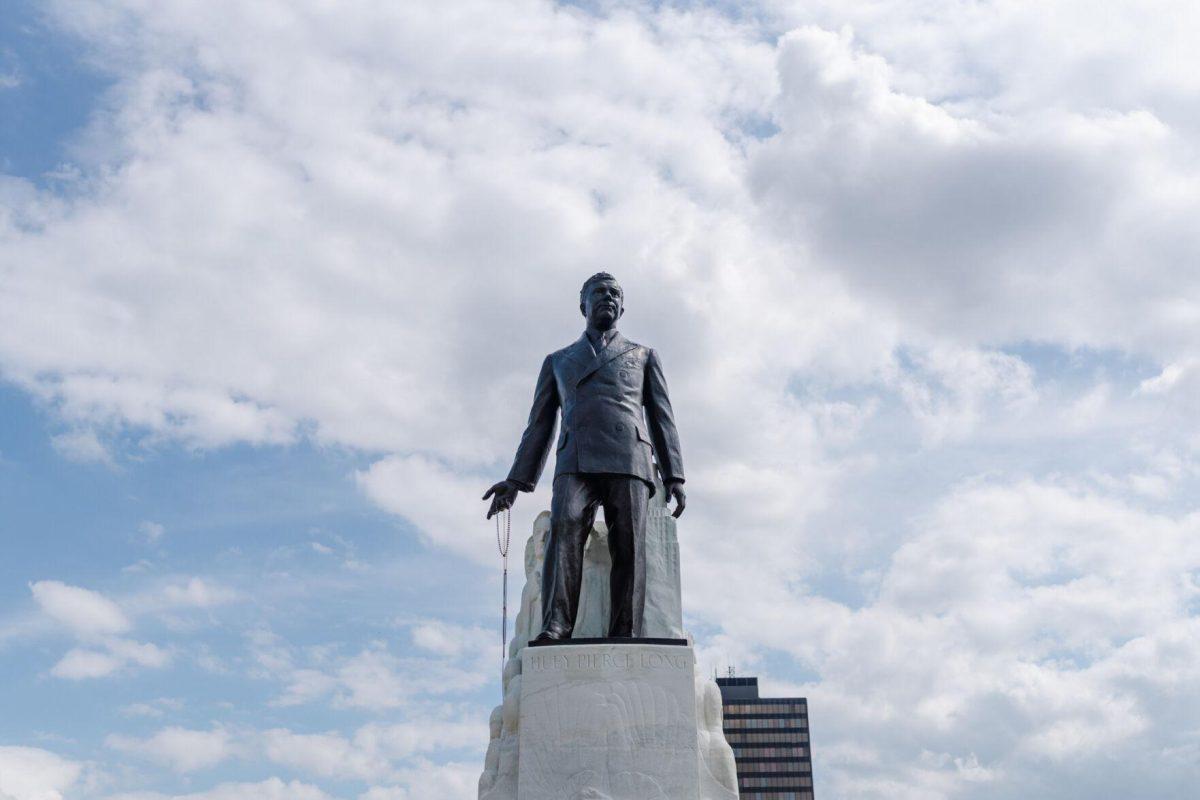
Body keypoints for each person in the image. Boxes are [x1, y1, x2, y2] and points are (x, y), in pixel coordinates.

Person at [483, 272, 686, 640]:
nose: (607, 297)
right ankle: (556, 625)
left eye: (614, 293)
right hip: (575, 458)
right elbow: (539, 425)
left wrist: (674, 475)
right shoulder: (558, 361)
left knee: (630, 544)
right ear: (583, 304)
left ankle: (625, 630)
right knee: (564, 533)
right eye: (599, 292)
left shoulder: (642, 356)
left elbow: (662, 418)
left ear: (622, 306)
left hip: (630, 456)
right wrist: (515, 481)